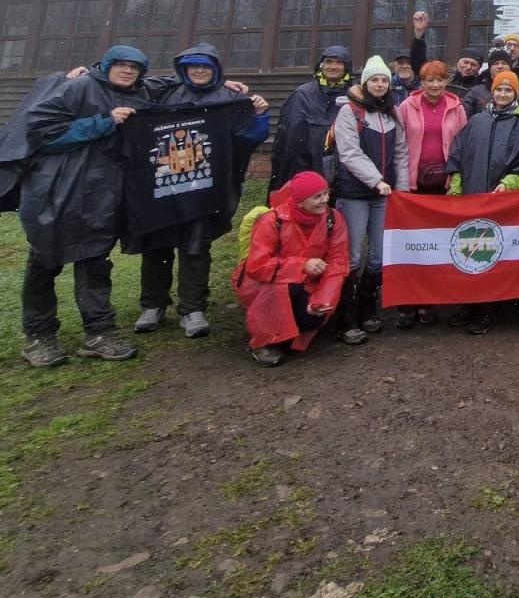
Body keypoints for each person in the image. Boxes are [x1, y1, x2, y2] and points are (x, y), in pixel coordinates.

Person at [17, 46, 150, 367]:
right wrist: (103, 122)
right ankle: (39, 336)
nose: (128, 71)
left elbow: (180, 83)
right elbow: (40, 129)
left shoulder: (140, 93)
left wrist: (229, 84)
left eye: (135, 67)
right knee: (45, 262)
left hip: (103, 195)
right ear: (107, 65)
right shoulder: (80, 86)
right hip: (57, 191)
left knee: (95, 262)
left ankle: (99, 332)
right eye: (121, 65)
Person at [132, 43, 271, 339]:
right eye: (192, 66)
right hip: (164, 186)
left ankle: (193, 308)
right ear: (182, 69)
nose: (198, 71)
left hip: (205, 188)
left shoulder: (229, 98)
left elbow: (249, 137)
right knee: (157, 246)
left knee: (195, 247)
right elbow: (129, 87)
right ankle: (153, 305)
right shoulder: (165, 94)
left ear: (216, 70)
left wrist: (259, 114)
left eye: (205, 66)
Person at [445, 70, 519, 335]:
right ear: (492, 91)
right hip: (472, 199)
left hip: (502, 203)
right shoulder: (476, 121)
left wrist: (508, 184)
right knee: (469, 252)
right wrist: (456, 189)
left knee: (493, 255)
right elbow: (458, 156)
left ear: (516, 93)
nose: (503, 94)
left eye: (508, 90)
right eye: (499, 89)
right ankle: (470, 305)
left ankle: (490, 309)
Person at [331, 56, 411, 344]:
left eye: (384, 80)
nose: (379, 84)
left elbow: (401, 152)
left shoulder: (392, 113)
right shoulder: (349, 112)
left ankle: (367, 309)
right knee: (352, 256)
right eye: (374, 80)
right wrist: (376, 180)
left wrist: (402, 188)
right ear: (365, 83)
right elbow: (349, 153)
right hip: (355, 193)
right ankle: (346, 318)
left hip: (384, 195)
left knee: (378, 255)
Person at [233, 171, 349, 366]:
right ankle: (264, 342)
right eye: (317, 196)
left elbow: (338, 262)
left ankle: (290, 328)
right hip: (268, 284)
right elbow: (257, 266)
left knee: (311, 318)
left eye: (326, 193)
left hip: (309, 284)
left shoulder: (334, 219)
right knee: (282, 288)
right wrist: (302, 265)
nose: (325, 200)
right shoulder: (272, 220)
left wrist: (321, 300)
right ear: (300, 201)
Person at [393, 58, 469, 328]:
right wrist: (401, 182)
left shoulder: (457, 108)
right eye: (429, 80)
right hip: (413, 185)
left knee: (434, 246)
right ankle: (406, 304)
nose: (435, 85)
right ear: (421, 82)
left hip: (442, 185)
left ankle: (428, 303)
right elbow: (398, 145)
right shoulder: (406, 106)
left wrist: (455, 180)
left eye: (439, 79)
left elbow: (462, 146)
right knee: (409, 246)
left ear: (447, 81)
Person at [268, 44, 353, 189]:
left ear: (346, 67)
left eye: (339, 62)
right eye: (329, 62)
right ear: (321, 65)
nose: (333, 67)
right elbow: (287, 137)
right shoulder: (302, 94)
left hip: (342, 168)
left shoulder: (354, 96)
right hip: (304, 167)